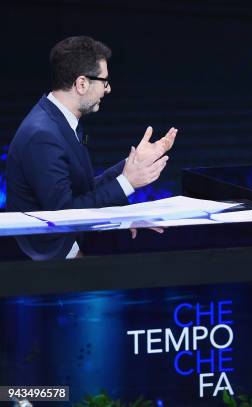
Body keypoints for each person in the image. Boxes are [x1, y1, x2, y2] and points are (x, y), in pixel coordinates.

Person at [6, 36, 178, 259]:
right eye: (104, 81)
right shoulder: (43, 135)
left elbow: (82, 189)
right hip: (53, 254)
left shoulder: (58, 121)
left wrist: (131, 165)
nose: (108, 89)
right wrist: (127, 183)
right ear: (81, 84)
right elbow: (66, 213)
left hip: (68, 243)